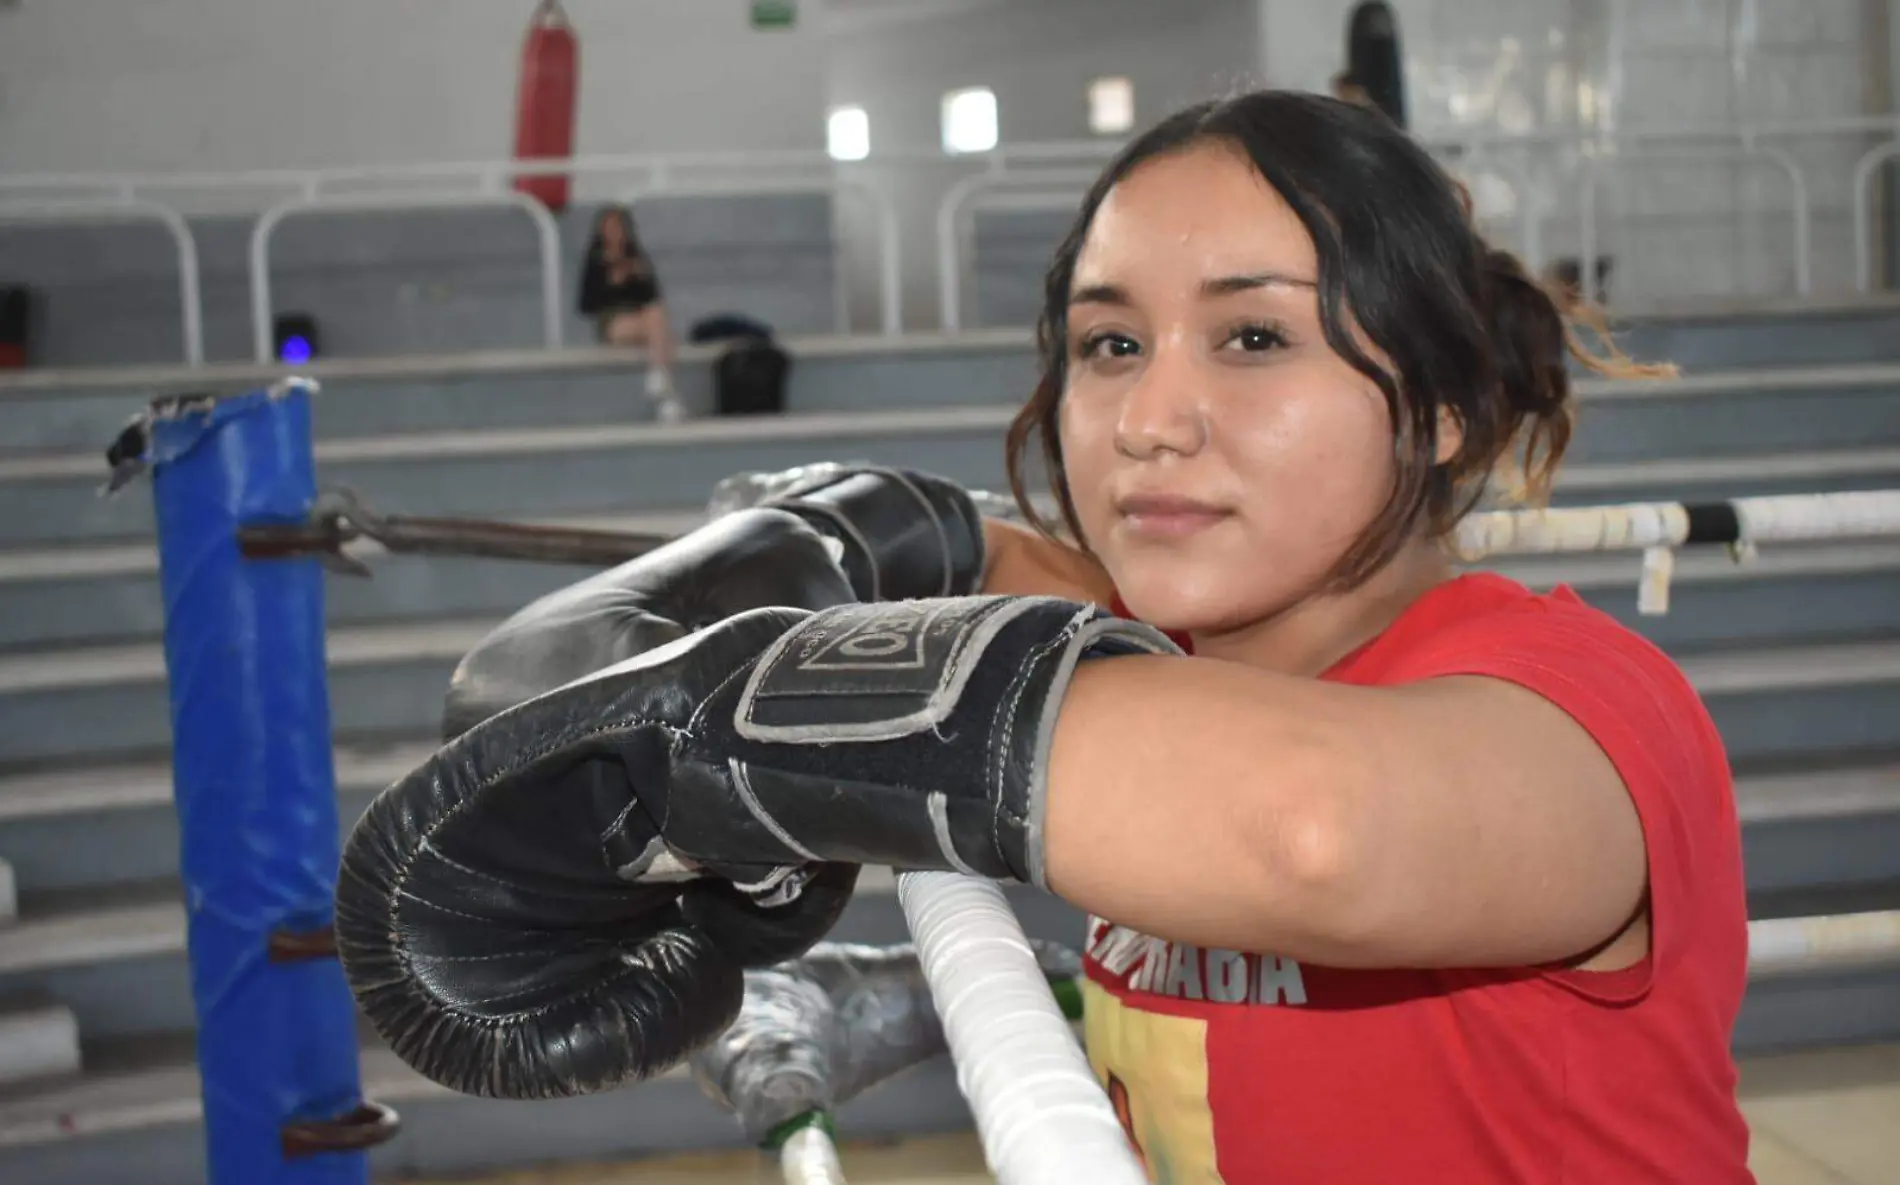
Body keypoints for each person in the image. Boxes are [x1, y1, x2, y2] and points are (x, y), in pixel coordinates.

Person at [337, 90, 1752, 1183]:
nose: (1148, 417)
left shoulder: (1579, 708)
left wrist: (709, 725)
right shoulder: (1156, 665)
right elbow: (975, 556)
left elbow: (1311, 833)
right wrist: (828, 537)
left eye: (1254, 339)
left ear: (1439, 411)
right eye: (1109, 343)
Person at [578, 203, 683, 420]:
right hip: (613, 323)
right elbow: (586, 305)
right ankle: (666, 394)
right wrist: (612, 283)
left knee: (656, 316)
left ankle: (663, 389)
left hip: (641, 320)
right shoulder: (595, 262)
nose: (614, 233)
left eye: (618, 227)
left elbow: (653, 297)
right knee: (662, 334)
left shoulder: (636, 257)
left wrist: (639, 277)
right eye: (609, 228)